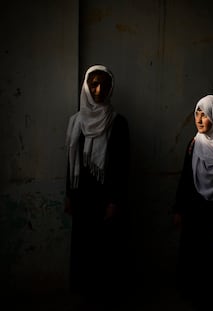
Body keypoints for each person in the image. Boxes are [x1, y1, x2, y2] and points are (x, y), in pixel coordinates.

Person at [64, 64, 131, 303]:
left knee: (107, 249)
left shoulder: (118, 123)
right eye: (93, 84)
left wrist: (115, 200)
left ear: (111, 88)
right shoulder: (76, 122)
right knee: (84, 247)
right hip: (83, 195)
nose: (99, 89)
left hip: (106, 196)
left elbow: (123, 167)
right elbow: (70, 162)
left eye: (104, 84)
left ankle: (105, 296)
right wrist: (69, 195)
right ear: (86, 86)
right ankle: (85, 294)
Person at [172, 94, 213, 311]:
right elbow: (185, 179)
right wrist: (179, 210)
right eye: (197, 114)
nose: (199, 120)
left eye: (206, 115)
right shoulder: (194, 144)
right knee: (195, 254)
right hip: (195, 210)